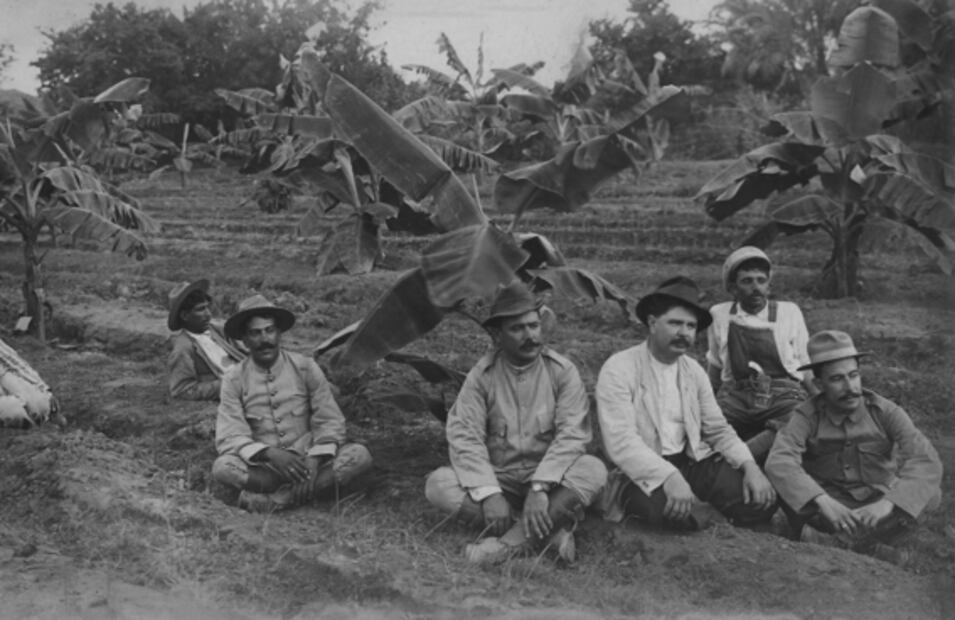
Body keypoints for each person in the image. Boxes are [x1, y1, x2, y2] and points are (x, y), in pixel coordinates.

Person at [425, 281, 607, 564]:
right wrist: (489, 494)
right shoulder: (482, 376)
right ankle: (550, 531)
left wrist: (540, 487)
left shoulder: (562, 372)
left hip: (551, 479)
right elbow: (465, 437)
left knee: (592, 470)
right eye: (517, 329)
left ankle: (505, 546)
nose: (530, 336)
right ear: (498, 335)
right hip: (502, 479)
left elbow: (573, 436)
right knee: (439, 485)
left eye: (533, 326)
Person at [596, 276, 777, 530]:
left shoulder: (693, 371)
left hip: (690, 461)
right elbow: (622, 442)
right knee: (666, 513)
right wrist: (668, 476)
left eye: (691, 326)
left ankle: (711, 516)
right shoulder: (619, 368)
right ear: (652, 323)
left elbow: (718, 429)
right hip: (640, 470)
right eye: (675, 323)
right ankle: (716, 523)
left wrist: (750, 467)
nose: (684, 333)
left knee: (758, 499)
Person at [766, 330, 942, 555]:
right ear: (819, 384)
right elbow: (780, 461)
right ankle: (870, 545)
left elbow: (926, 460)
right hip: (829, 507)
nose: (850, 387)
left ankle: (836, 543)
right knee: (785, 488)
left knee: (931, 494)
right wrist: (821, 500)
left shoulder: (885, 411)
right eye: (837, 379)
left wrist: (888, 503)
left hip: (877, 503)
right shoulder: (806, 416)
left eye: (854, 375)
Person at [212, 295, 372, 512]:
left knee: (359, 456)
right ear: (245, 340)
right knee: (223, 468)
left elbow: (330, 420)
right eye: (255, 333)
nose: (264, 339)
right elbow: (230, 435)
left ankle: (275, 502)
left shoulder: (305, 367)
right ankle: (308, 492)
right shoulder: (234, 379)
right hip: (265, 469)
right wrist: (270, 454)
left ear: (279, 333)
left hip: (310, 461)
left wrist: (314, 460)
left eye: (269, 330)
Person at [706, 246, 812, 460]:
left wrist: (821, 402)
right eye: (747, 281)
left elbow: (805, 363)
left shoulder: (789, 312)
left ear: (769, 285)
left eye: (760, 280)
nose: (755, 287)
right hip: (736, 396)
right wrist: (707, 406)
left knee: (800, 422)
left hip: (784, 395)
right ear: (733, 287)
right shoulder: (719, 314)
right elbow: (715, 366)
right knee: (703, 428)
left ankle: (742, 456)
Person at [167, 279, 244, 401]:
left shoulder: (217, 331)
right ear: (185, 316)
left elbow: (242, 351)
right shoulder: (184, 349)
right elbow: (182, 390)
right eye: (201, 309)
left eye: (208, 307)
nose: (208, 314)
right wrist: (226, 385)